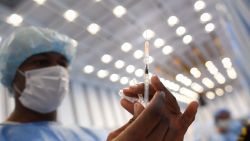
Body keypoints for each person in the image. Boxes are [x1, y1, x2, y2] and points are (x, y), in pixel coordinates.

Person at [0, 26, 198, 141]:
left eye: (63, 64)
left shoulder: (90, 136)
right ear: (12, 74)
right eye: (41, 62)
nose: (57, 71)